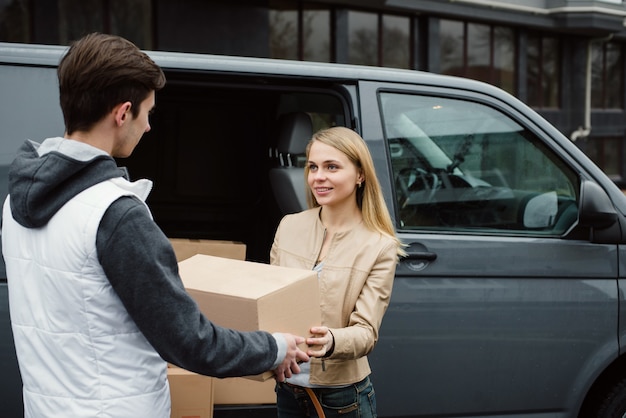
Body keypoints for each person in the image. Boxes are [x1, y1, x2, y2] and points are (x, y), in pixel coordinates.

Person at [1, 32, 308, 418]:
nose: (148, 127)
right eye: (148, 113)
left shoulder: (15, 202)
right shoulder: (115, 214)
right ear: (122, 112)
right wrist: (275, 346)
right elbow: (191, 343)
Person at [270, 126, 405, 417]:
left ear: (360, 175)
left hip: (343, 399)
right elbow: (269, 303)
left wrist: (332, 340)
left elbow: (366, 333)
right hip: (289, 388)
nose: (318, 177)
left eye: (332, 167)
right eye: (313, 167)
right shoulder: (290, 226)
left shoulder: (379, 245)